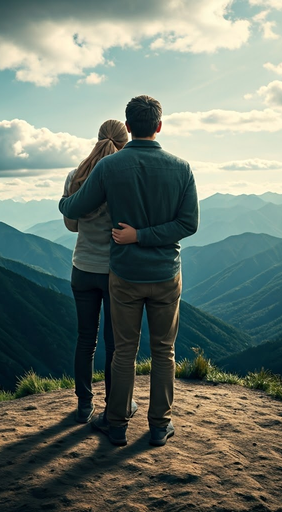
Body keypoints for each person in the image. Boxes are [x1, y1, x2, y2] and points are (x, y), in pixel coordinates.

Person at [59, 95, 199, 447]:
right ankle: (158, 426)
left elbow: (75, 209)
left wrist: (63, 201)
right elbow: (189, 223)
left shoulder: (108, 168)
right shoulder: (182, 168)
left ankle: (117, 424)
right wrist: (149, 236)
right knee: (164, 352)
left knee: (123, 351)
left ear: (129, 125)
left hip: (124, 274)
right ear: (159, 126)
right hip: (166, 274)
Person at [62, 119, 129, 424]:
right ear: (125, 142)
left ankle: (84, 404)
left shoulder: (75, 175)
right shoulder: (126, 178)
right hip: (114, 271)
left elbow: (72, 224)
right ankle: (114, 406)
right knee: (114, 344)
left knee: (85, 339)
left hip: (83, 267)